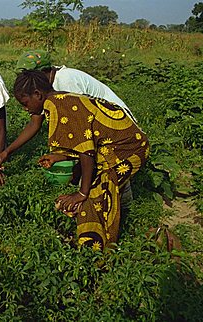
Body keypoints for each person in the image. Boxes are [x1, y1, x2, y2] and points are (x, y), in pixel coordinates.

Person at [0, 70, 149, 250]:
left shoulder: (62, 106)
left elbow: (86, 152)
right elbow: (83, 141)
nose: (25, 109)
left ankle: (99, 249)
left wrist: (81, 193)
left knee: (95, 197)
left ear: (37, 95)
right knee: (92, 190)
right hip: (112, 145)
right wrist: (7, 153)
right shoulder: (55, 101)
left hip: (128, 148)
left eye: (25, 103)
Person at [16, 50, 136, 206]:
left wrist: (82, 192)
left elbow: (85, 142)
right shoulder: (50, 97)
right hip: (105, 134)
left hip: (119, 134)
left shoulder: (66, 85)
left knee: (100, 191)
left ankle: (124, 205)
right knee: (93, 184)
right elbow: (79, 138)